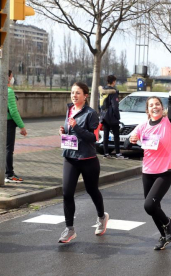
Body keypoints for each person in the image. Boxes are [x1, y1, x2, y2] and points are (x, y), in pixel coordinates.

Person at [129, 68, 171, 250]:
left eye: (157, 104)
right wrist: (132, 139)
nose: (155, 107)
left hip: (164, 172)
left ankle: (168, 225)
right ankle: (164, 235)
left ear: (162, 108)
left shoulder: (169, 122)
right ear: (148, 111)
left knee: (150, 204)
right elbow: (131, 140)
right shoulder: (143, 126)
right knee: (150, 207)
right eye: (151, 105)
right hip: (147, 172)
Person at [58, 82, 109, 243]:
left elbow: (93, 137)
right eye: (72, 92)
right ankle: (69, 229)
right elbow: (70, 131)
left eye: (78, 93)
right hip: (70, 157)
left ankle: (102, 217)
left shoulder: (91, 113)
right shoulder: (69, 110)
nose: (74, 95)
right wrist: (64, 131)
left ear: (85, 96)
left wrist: (76, 127)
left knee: (92, 190)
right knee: (67, 193)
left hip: (87, 159)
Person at [0, 70, 27, 183]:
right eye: (11, 75)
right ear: (8, 77)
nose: (12, 77)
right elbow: (14, 112)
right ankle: (8, 174)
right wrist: (22, 127)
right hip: (8, 123)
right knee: (8, 149)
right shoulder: (9, 91)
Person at [99, 75, 127, 160]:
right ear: (113, 81)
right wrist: (117, 116)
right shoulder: (113, 92)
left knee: (106, 135)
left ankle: (106, 153)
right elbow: (115, 106)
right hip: (111, 116)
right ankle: (118, 153)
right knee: (116, 135)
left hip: (103, 115)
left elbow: (99, 104)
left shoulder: (102, 91)